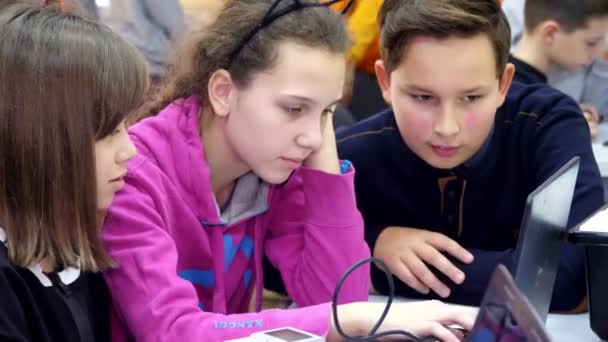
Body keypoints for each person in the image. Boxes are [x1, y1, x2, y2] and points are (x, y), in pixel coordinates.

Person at [101, 0, 474, 341]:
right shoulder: (132, 179)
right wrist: (350, 319)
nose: (312, 138)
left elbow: (340, 298)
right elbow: (173, 331)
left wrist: (325, 169)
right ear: (223, 92)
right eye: (294, 109)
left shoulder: (275, 167)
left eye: (326, 112)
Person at [337, 0, 604, 312]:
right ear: (385, 81)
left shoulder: (548, 122)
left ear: (504, 83)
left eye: (471, 97)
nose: (447, 128)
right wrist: (375, 240)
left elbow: (575, 277)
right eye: (423, 97)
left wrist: (375, 267)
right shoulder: (350, 154)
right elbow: (283, 262)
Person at [0, 1, 146, 341]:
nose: (130, 150)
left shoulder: (75, 255)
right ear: (42, 137)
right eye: (110, 131)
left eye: (126, 126)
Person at [509, 0, 608, 137]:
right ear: (550, 33)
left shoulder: (527, 90)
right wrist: (562, 126)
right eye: (591, 43)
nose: (598, 53)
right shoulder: (518, 98)